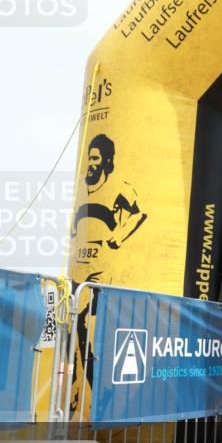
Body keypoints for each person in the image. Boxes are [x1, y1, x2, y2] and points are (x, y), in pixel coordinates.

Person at [68, 133, 147, 415]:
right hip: (80, 270)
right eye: (89, 158)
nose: (90, 163)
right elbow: (75, 227)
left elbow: (137, 214)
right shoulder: (82, 189)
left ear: (106, 162)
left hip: (101, 272)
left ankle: (90, 391)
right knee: (75, 329)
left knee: (83, 324)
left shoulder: (118, 188)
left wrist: (118, 236)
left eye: (95, 158)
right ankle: (89, 390)